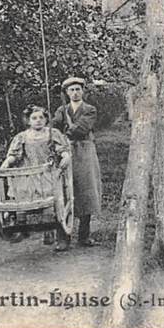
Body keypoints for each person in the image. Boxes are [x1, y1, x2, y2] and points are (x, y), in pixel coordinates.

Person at [0, 105, 72, 251]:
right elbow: (14, 155)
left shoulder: (53, 134)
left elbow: (62, 149)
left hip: (48, 172)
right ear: (28, 121)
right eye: (34, 118)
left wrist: (65, 155)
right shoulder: (22, 136)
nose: (38, 121)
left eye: (41, 117)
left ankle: (51, 231)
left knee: (50, 197)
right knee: (21, 191)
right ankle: (21, 227)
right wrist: (6, 164)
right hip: (30, 173)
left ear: (46, 119)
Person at [51, 77, 104, 246]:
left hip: (84, 151)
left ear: (83, 91)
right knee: (64, 192)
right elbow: (53, 126)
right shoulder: (61, 110)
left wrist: (63, 132)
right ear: (66, 93)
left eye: (78, 89)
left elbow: (82, 129)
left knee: (86, 190)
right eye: (71, 90)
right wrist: (55, 132)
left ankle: (84, 236)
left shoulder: (90, 109)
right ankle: (63, 238)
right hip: (65, 152)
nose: (75, 93)